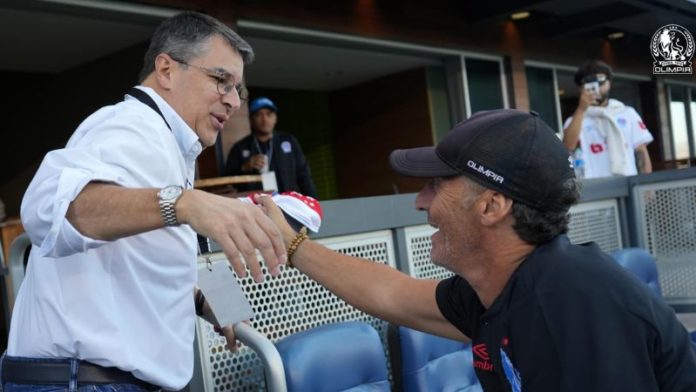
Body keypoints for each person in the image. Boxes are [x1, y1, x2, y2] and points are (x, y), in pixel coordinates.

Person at [258, 109, 696, 391]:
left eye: (435, 185)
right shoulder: (507, 285)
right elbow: (391, 294)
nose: (420, 201)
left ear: (490, 206)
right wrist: (292, 245)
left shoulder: (568, 306)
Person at [1, 11, 286, 391]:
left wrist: (212, 302)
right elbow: (46, 206)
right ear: (166, 70)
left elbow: (144, 261)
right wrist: (187, 204)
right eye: (221, 81)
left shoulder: (171, 147)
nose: (234, 101)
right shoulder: (130, 126)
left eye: (239, 89)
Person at [563, 59, 653, 179]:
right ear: (581, 88)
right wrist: (581, 109)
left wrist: (646, 185)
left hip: (628, 184)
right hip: (594, 188)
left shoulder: (627, 113)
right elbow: (568, 147)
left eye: (600, 81)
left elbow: (641, 151)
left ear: (609, 83)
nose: (596, 87)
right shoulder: (575, 120)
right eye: (589, 82)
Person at [224, 97, 318, 198]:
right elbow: (228, 181)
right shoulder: (240, 147)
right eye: (259, 115)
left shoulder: (288, 140)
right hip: (256, 205)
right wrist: (244, 167)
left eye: (269, 114)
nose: (264, 119)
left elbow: (304, 174)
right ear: (251, 120)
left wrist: (313, 200)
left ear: (275, 118)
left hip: (289, 202)